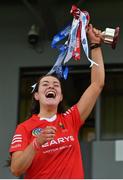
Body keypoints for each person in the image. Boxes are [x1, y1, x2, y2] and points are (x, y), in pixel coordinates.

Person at [9, 24, 105, 179]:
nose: (51, 86)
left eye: (56, 85)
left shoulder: (70, 119)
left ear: (60, 96)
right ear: (37, 96)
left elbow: (97, 84)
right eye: (45, 84)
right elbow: (16, 169)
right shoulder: (24, 128)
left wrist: (94, 45)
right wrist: (36, 143)